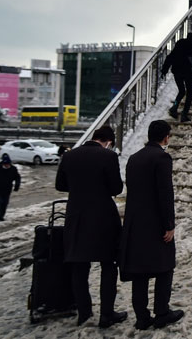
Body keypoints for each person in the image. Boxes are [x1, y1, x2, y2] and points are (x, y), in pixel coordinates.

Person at [55, 126, 127, 328]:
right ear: (109, 142)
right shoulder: (108, 157)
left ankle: (84, 313)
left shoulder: (70, 156)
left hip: (76, 216)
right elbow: (116, 188)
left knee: (79, 266)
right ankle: (107, 314)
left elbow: (60, 185)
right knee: (108, 265)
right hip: (103, 218)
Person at [119, 120, 184, 330]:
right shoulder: (162, 158)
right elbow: (165, 194)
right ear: (165, 137)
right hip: (155, 224)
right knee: (165, 268)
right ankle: (162, 312)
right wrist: (169, 224)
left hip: (135, 224)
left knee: (140, 271)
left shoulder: (134, 158)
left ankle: (142, 316)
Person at [161, 32, 192, 123]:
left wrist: (164, 70)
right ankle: (184, 114)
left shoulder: (179, 45)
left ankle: (175, 106)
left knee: (181, 91)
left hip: (177, 73)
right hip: (188, 74)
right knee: (189, 93)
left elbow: (170, 57)